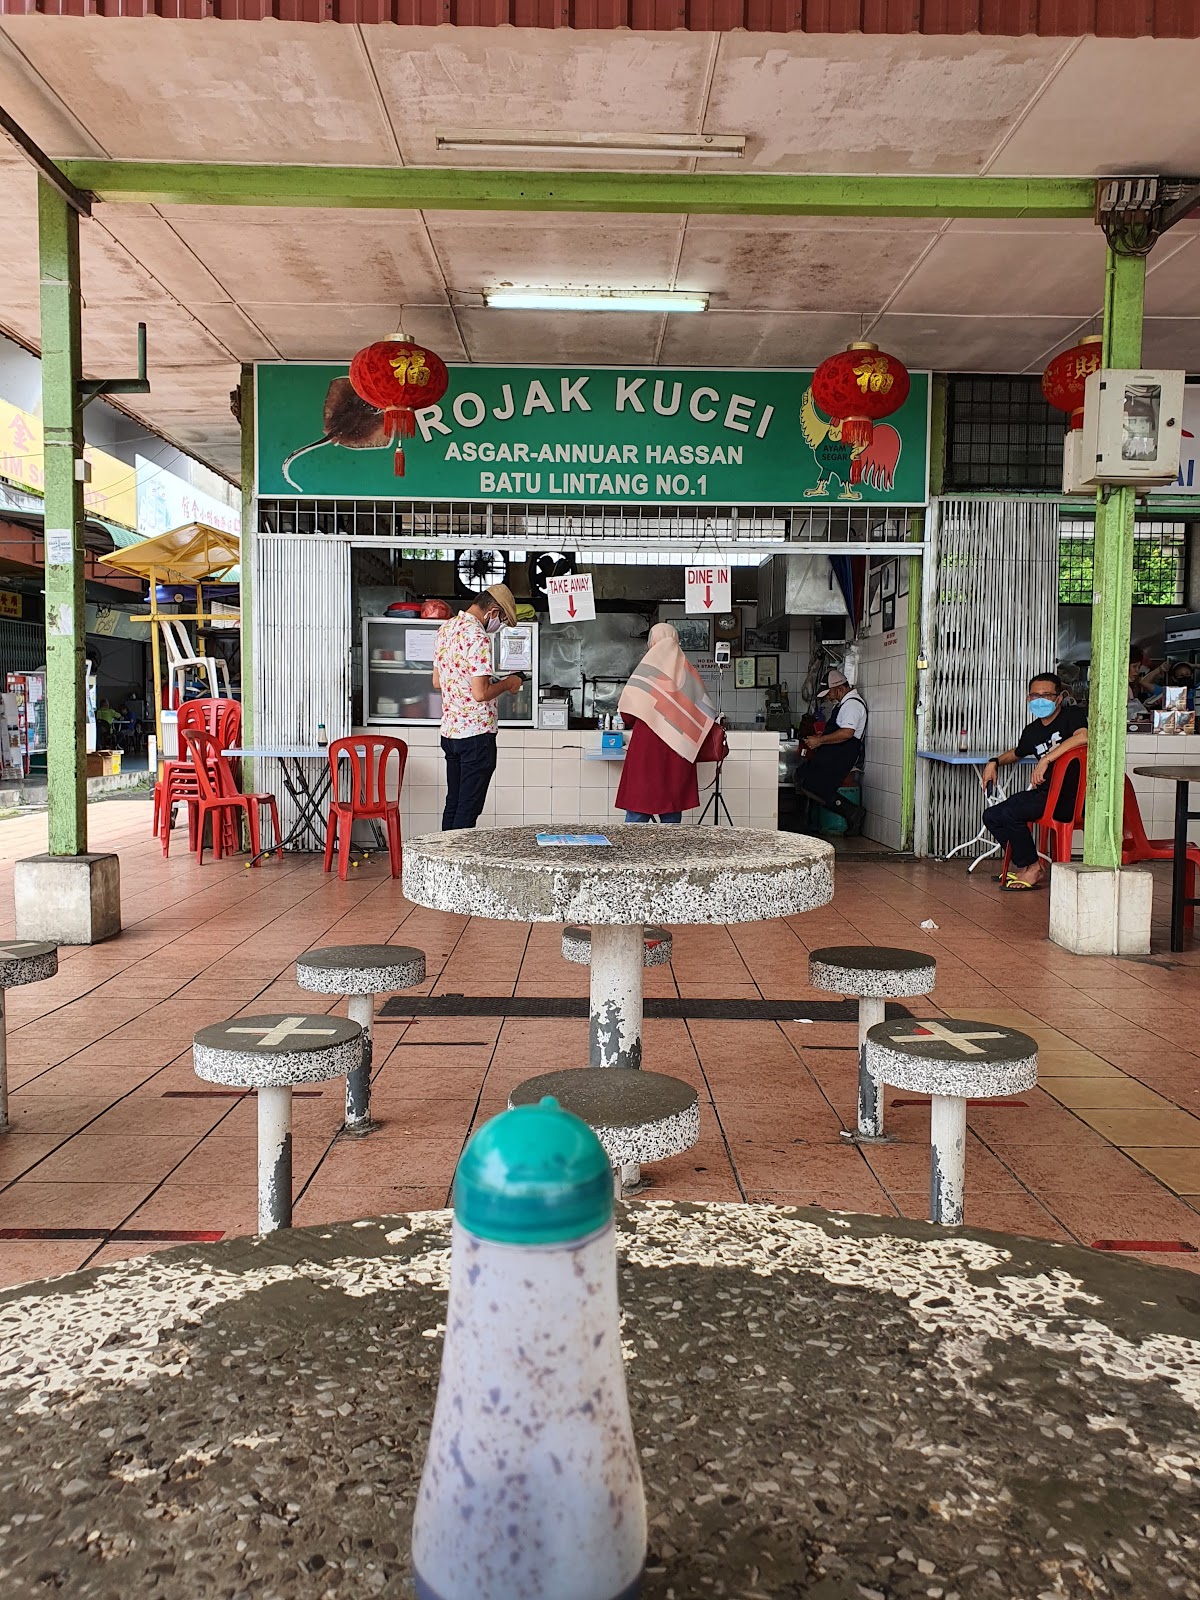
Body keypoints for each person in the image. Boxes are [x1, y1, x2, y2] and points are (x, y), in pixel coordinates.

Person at [980, 672, 1088, 891]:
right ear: (1028, 699)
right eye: (1035, 696)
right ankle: (1030, 864)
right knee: (992, 815)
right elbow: (1017, 753)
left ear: (1059, 698)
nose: (1040, 700)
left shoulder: (1072, 715)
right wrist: (994, 762)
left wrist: (1046, 759)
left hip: (1071, 796)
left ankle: (1033, 869)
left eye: (1046, 695)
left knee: (1012, 813)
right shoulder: (1032, 731)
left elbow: (1083, 737)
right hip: (1046, 793)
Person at [432, 583, 523, 830]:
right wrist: (508, 683)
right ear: (492, 611)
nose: (499, 624)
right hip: (476, 735)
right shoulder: (478, 636)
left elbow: (437, 682)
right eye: (501, 619)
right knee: (468, 807)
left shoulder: (445, 629)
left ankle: (445, 853)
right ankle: (458, 854)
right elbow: (480, 693)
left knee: (454, 802)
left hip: (451, 733)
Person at [615, 622, 716, 824]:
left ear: (652, 642)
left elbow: (627, 717)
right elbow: (705, 714)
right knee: (671, 816)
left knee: (637, 812)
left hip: (645, 753)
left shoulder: (645, 673)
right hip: (678, 750)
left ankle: (633, 845)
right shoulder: (690, 674)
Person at [796, 668, 868, 835]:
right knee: (804, 778)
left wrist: (820, 740)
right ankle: (847, 814)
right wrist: (820, 737)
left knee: (814, 785)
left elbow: (847, 733)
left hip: (842, 754)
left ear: (839, 688)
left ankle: (853, 812)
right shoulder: (845, 704)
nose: (828, 697)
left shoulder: (852, 705)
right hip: (835, 752)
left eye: (829, 693)